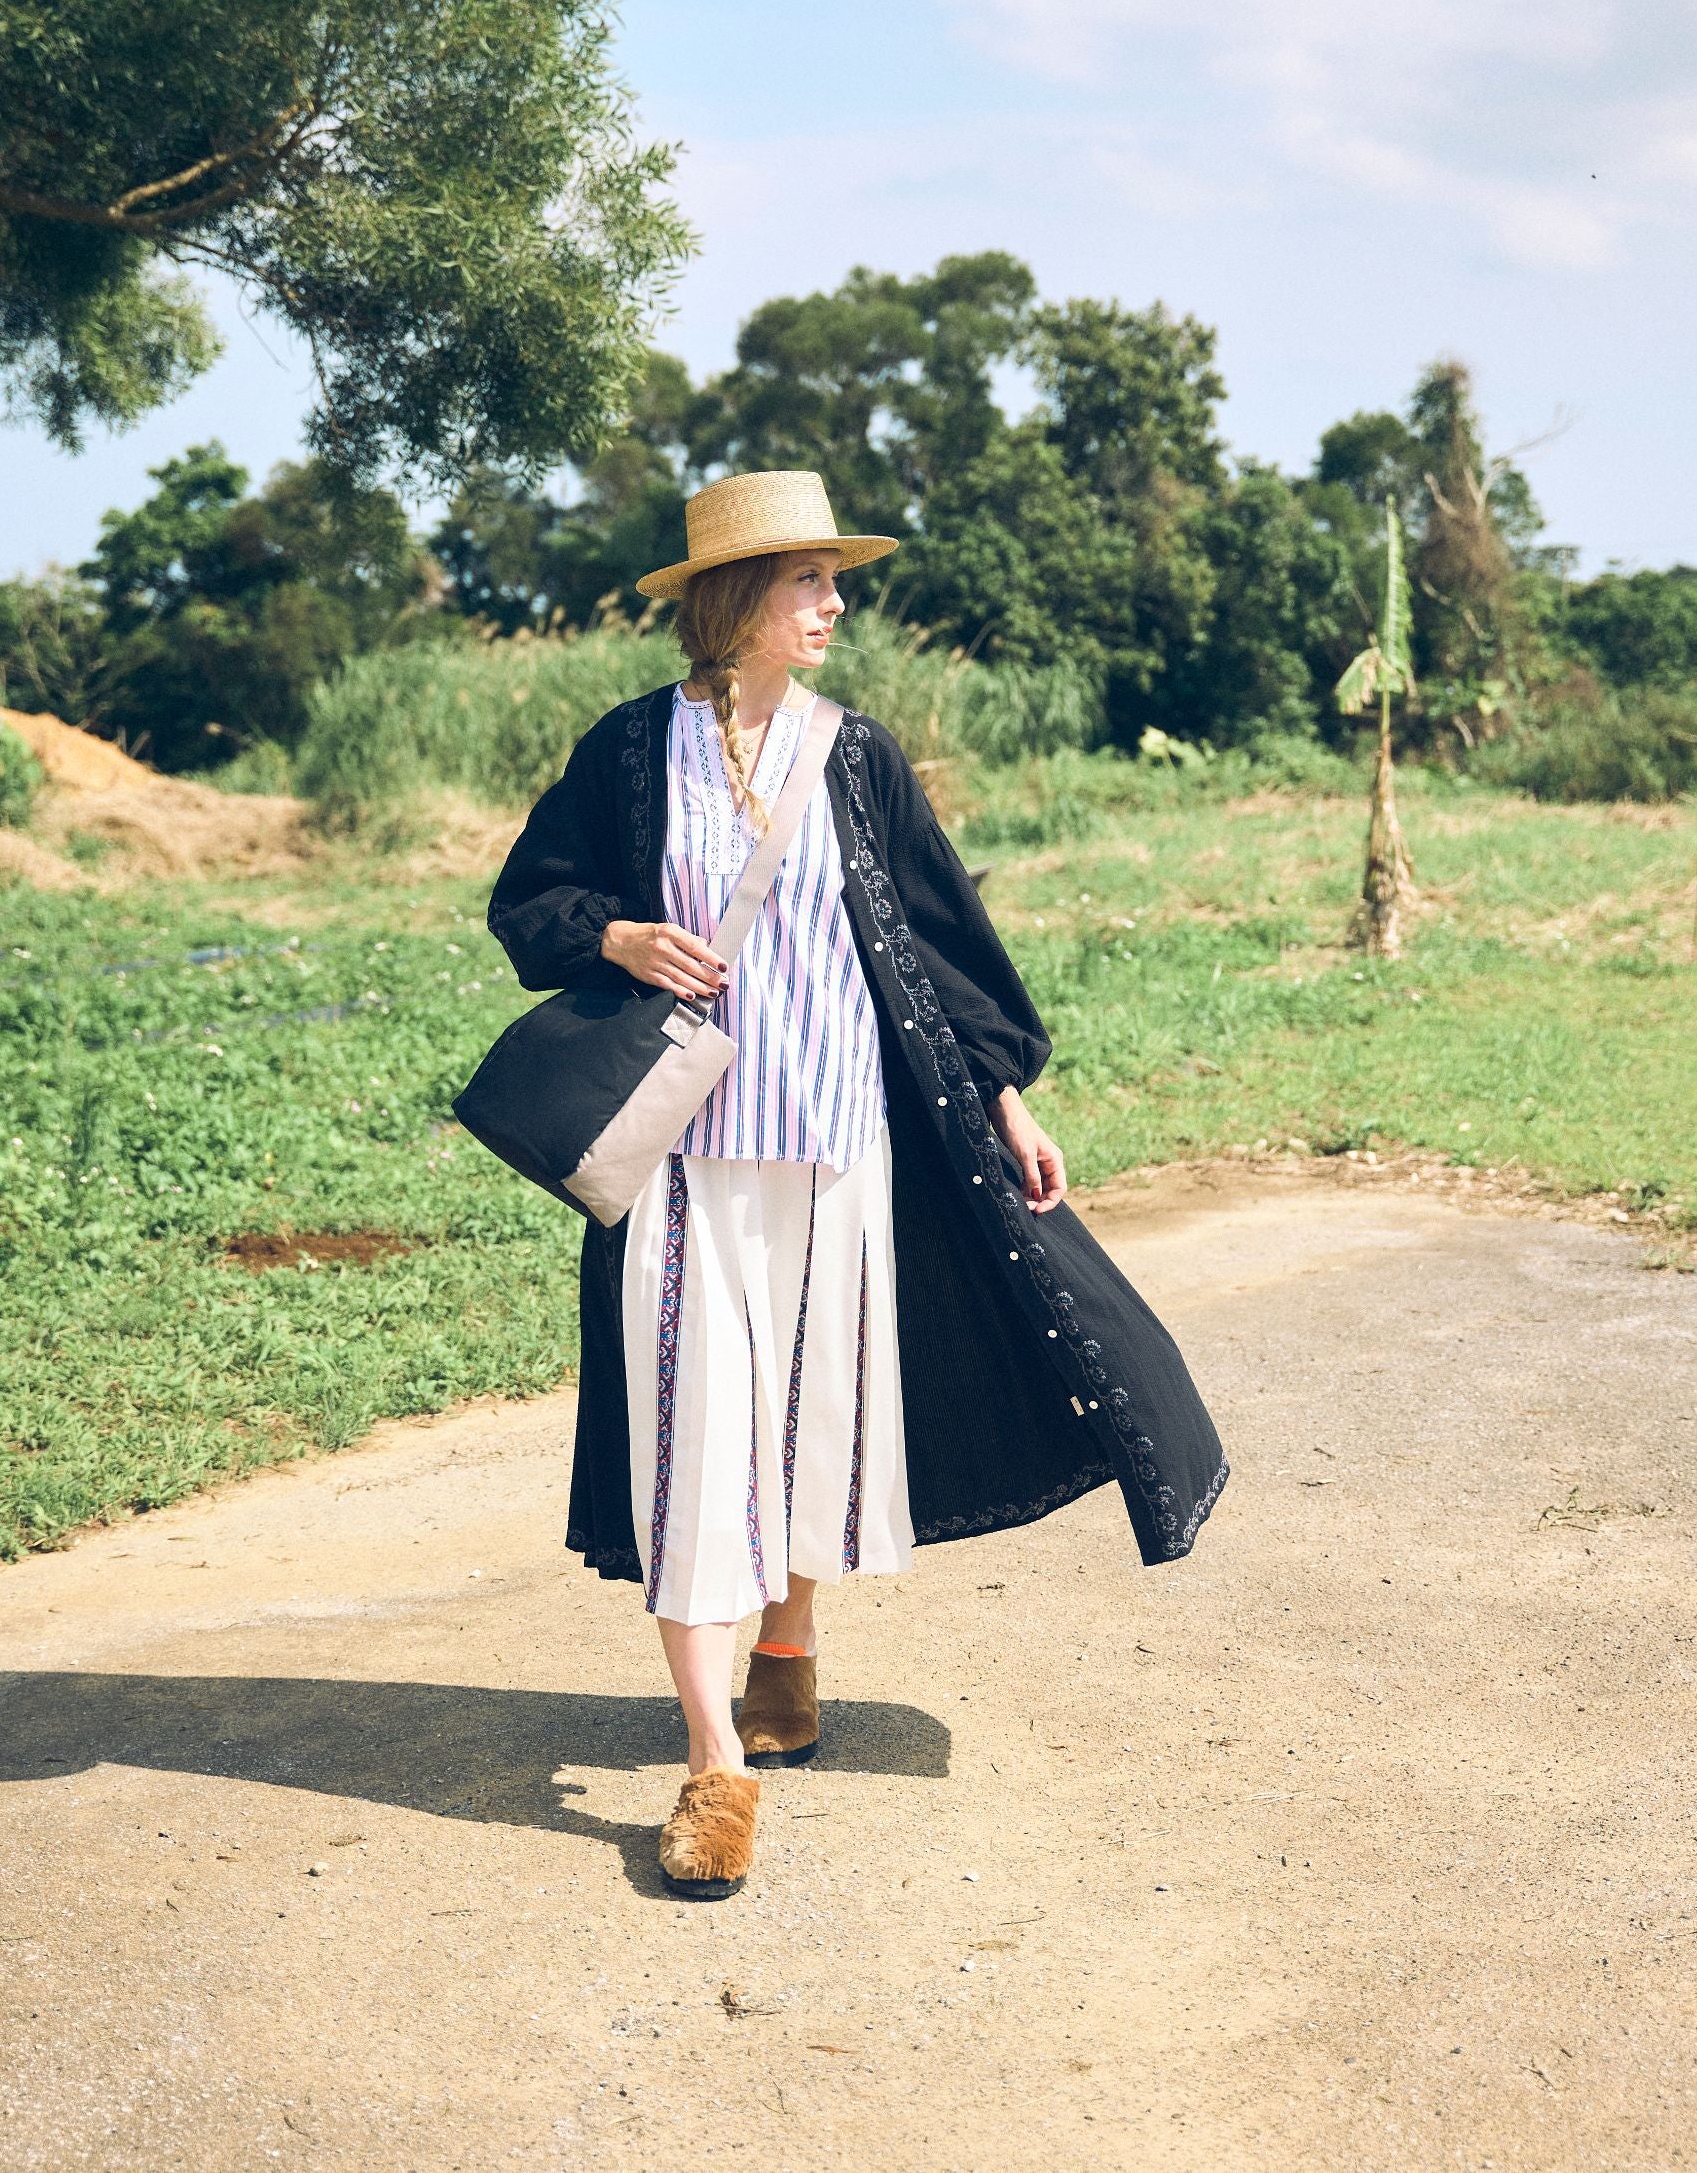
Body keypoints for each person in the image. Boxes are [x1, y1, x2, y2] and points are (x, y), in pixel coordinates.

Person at [489, 470, 1227, 1898]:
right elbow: (531, 900)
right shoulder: (629, 751)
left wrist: (1004, 1091)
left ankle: (786, 1648)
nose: (833, 605)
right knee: (695, 1440)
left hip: (842, 1150)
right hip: (684, 1164)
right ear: (735, 599)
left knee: (805, 1424)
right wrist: (621, 938)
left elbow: (938, 938)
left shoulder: (856, 756)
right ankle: (714, 1760)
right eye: (807, 581)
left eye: (834, 581)